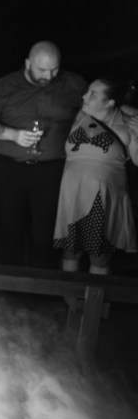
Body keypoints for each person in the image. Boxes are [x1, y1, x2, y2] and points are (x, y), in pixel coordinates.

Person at [0, 40, 87, 268]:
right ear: (28, 63)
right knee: (10, 226)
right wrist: (11, 134)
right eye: (42, 70)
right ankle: (10, 285)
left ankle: (42, 286)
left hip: (52, 169)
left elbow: (96, 110)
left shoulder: (72, 84)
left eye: (54, 69)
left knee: (46, 230)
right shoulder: (5, 86)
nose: (49, 75)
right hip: (11, 168)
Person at [53, 79, 138, 274]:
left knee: (98, 253)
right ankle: (71, 303)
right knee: (70, 250)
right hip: (73, 192)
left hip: (104, 194)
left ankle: (94, 303)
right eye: (87, 92)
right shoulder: (80, 114)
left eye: (93, 94)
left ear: (109, 102)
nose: (85, 96)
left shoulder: (127, 124)